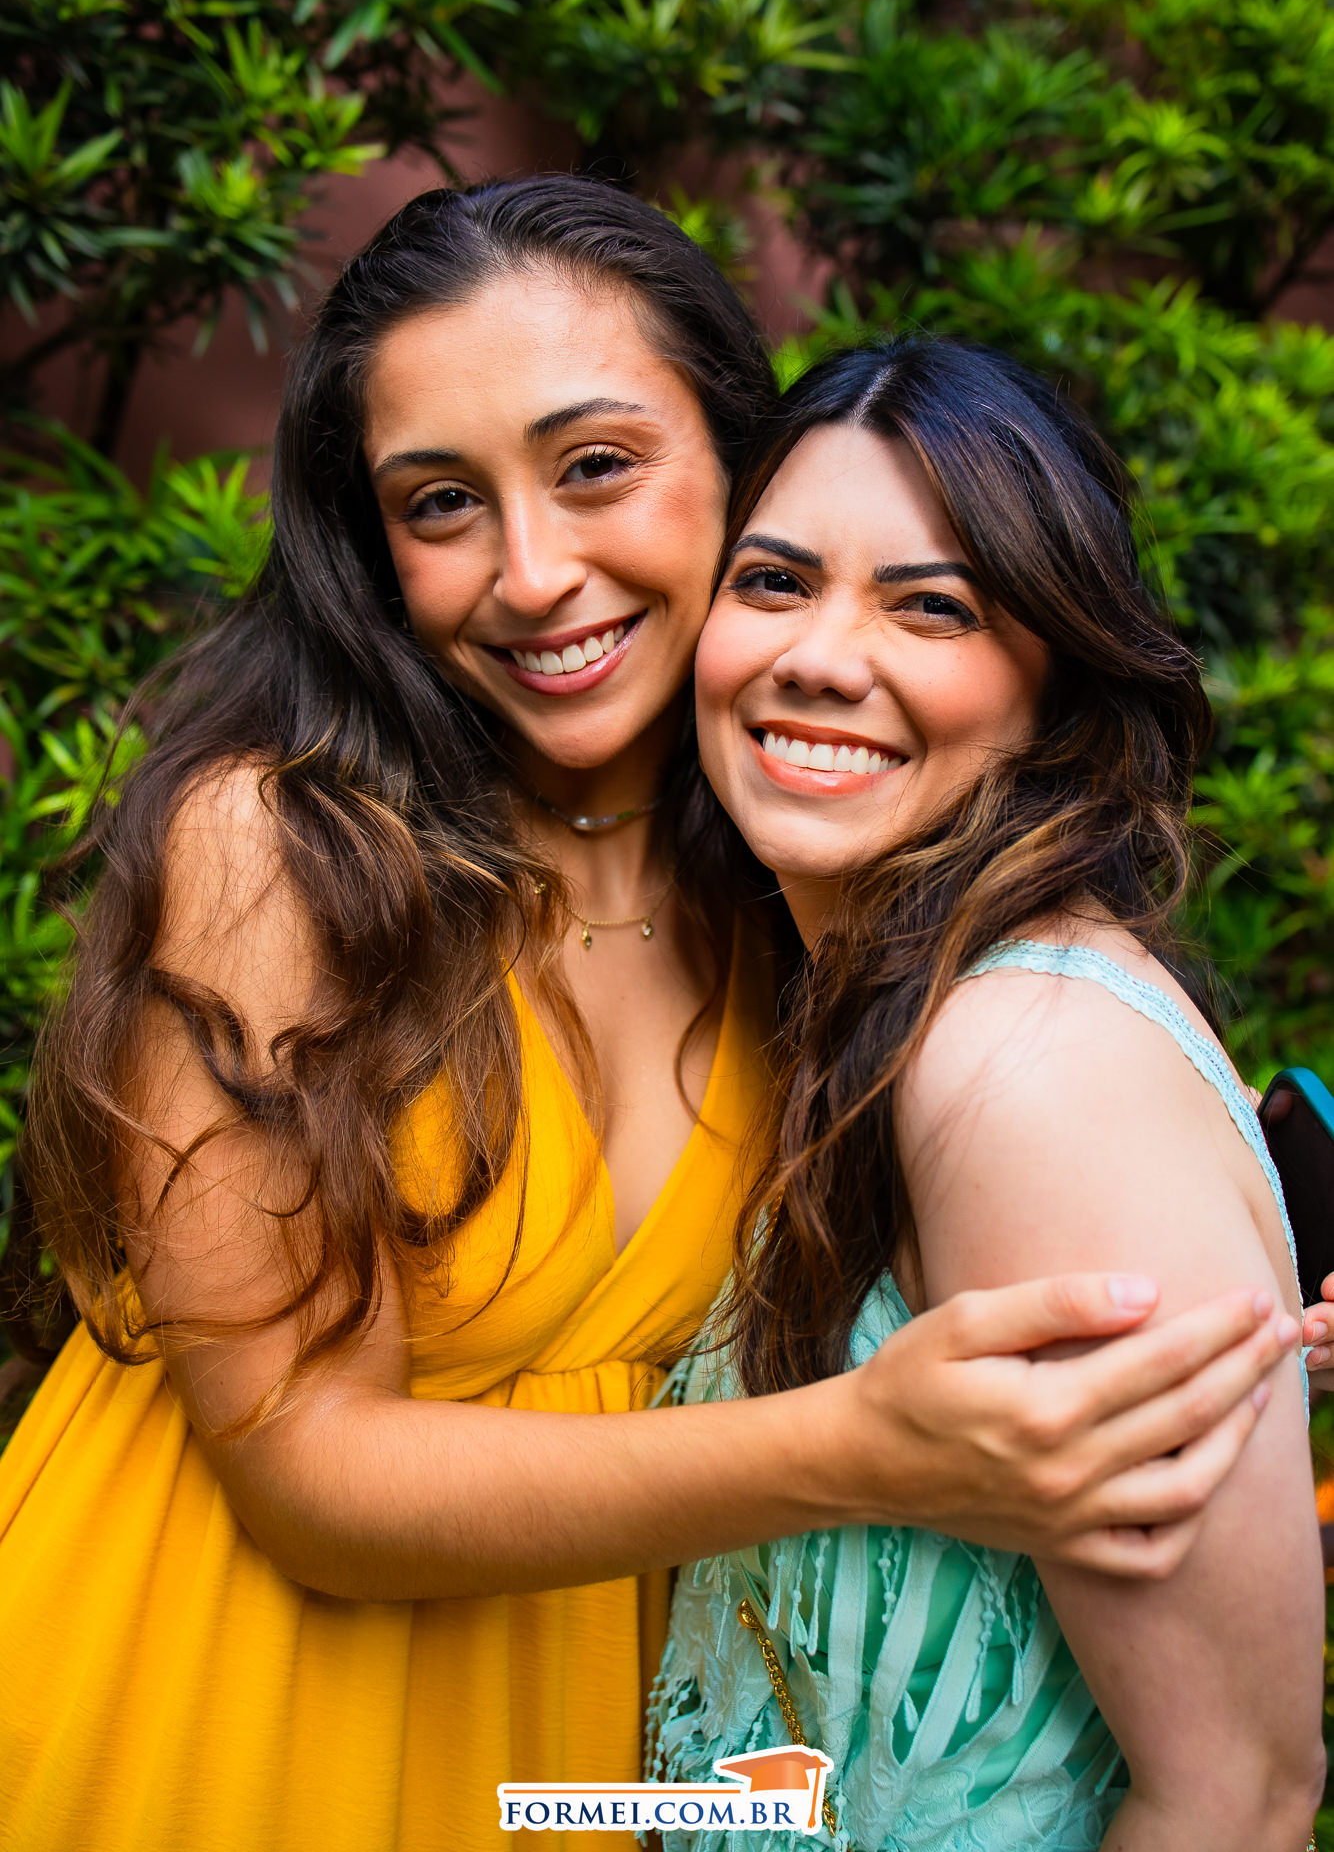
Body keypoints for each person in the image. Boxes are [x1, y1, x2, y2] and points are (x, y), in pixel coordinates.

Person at [0, 184, 1299, 1852]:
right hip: (216, 1706)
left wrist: (1216, 1264)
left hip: (579, 1752)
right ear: (371, 546)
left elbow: (952, 1196)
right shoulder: (282, 848)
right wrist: (867, 1445)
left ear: (740, 472)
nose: (536, 572)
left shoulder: (788, 874)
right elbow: (306, 1481)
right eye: (441, 502)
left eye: (596, 465)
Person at [651, 335, 1324, 1851]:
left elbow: (1236, 1796)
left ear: (1055, 685)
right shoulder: (865, 1005)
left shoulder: (1018, 1063)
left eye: (931, 607)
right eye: (773, 583)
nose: (822, 657)